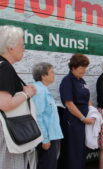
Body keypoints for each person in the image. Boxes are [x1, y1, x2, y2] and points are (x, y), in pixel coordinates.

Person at [0, 25, 36, 169]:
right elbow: (5, 104)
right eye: (22, 45)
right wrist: (27, 93)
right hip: (7, 134)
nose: (24, 49)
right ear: (10, 48)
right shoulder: (4, 68)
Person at [59, 54, 95, 169]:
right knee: (73, 151)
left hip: (84, 120)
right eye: (82, 68)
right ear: (73, 67)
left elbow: (87, 99)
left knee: (81, 149)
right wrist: (83, 118)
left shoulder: (82, 80)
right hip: (73, 121)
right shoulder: (67, 81)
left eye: (85, 67)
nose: (84, 70)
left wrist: (93, 112)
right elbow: (69, 104)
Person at [32, 62, 63, 169]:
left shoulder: (43, 89)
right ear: (43, 76)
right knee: (47, 165)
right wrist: (45, 139)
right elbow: (38, 116)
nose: (54, 74)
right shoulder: (39, 91)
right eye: (52, 72)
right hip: (46, 137)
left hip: (50, 135)